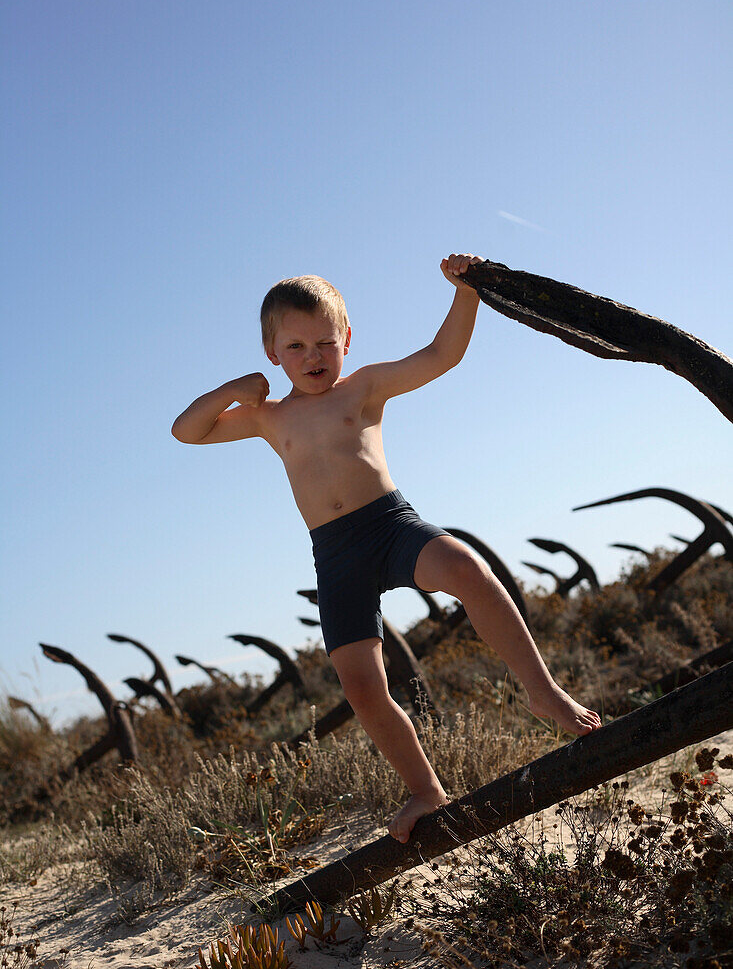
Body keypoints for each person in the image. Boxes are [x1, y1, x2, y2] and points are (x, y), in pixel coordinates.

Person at [171, 254, 601, 843]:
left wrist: (466, 292)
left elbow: (441, 356)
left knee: (468, 569)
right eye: (294, 347)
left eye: (325, 341)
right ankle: (425, 789)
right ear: (272, 353)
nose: (313, 357)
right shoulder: (268, 417)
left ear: (346, 338)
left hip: (389, 525)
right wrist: (231, 391)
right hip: (336, 554)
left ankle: (543, 691)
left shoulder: (364, 387)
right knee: (362, 688)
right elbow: (187, 430)